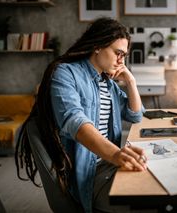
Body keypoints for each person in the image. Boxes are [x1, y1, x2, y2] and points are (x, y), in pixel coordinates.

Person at [15, 17, 147, 213]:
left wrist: (131, 81)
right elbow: (75, 121)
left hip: (109, 164)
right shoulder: (65, 73)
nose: (121, 61)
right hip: (88, 174)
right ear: (97, 46)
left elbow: (135, 116)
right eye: (118, 53)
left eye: (124, 56)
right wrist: (116, 154)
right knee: (151, 202)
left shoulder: (107, 83)